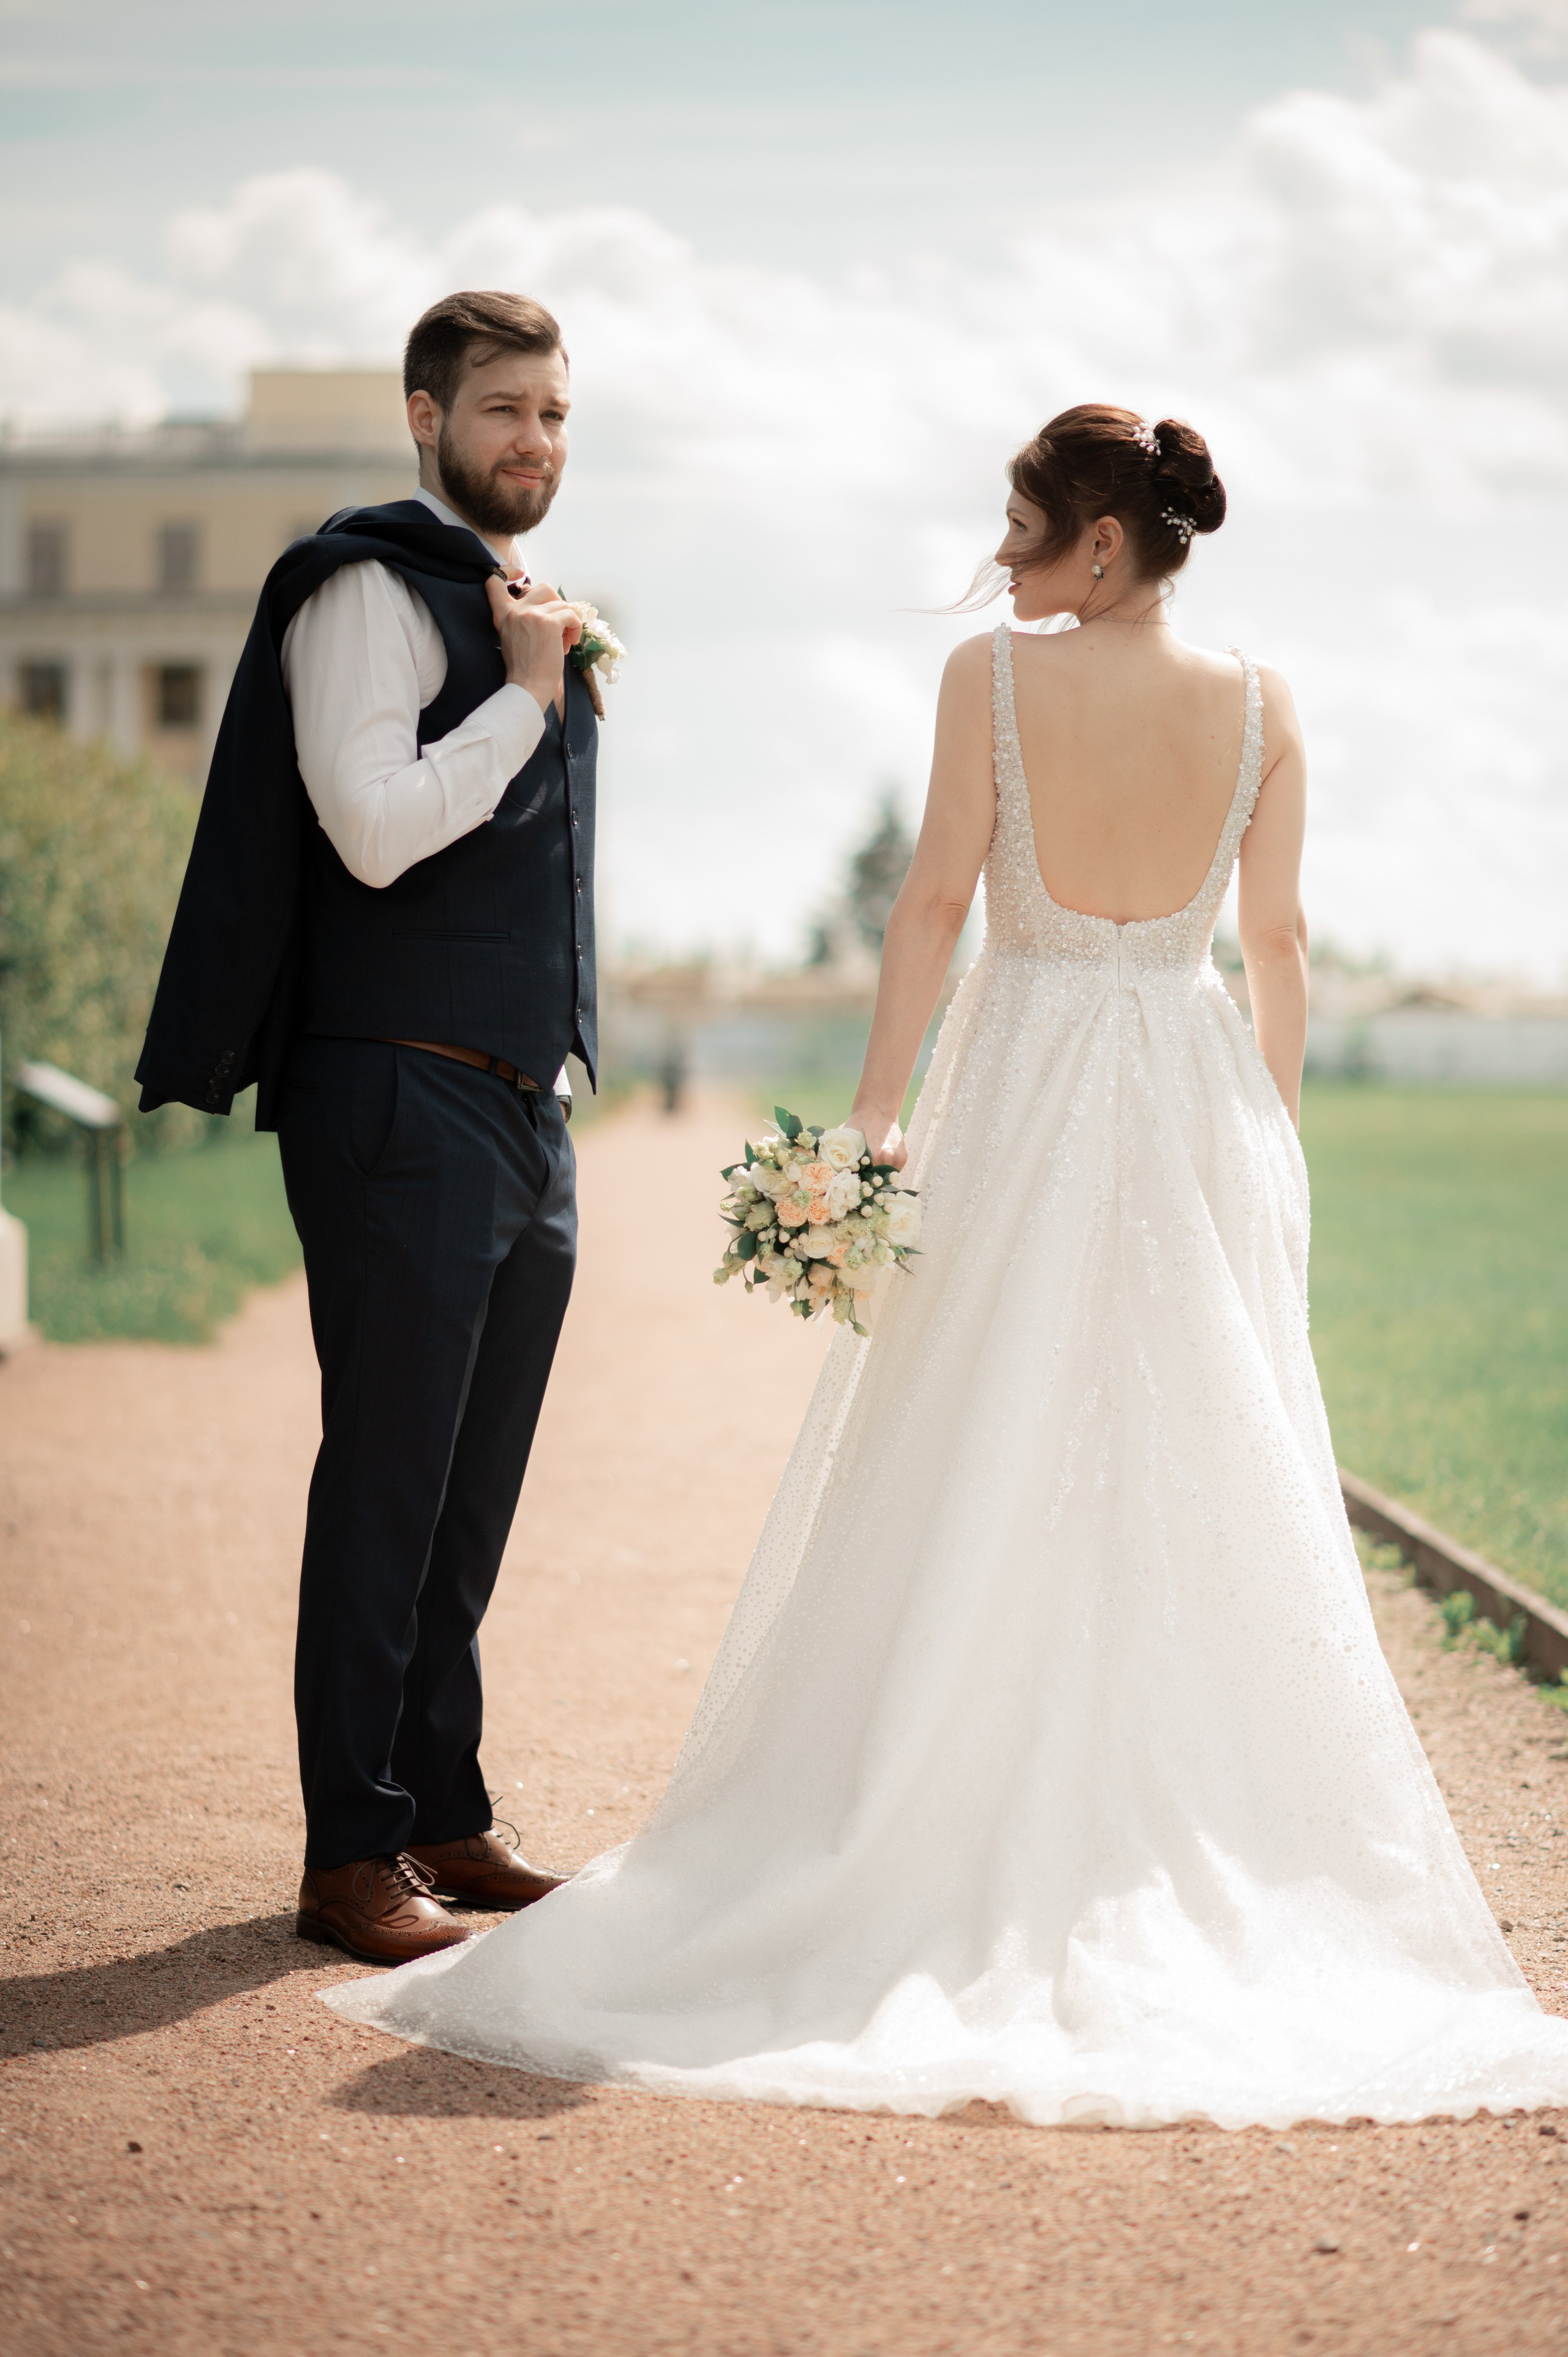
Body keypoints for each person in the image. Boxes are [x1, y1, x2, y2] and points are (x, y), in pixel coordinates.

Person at [327, 405, 1568, 2127]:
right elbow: (1274, 942)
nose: (1000, 553)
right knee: (1202, 1456)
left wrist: (868, 1127)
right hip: (1191, 1091)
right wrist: (1266, 1140)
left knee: (967, 1438)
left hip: (1031, 1082)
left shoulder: (994, 682)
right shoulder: (1268, 704)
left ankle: (942, 1798)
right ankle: (1169, 1820)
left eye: (1021, 523)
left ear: (1104, 544)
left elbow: (929, 910)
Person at [137, 292, 597, 1965]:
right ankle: (350, 1855)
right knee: (391, 1480)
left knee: (470, 1491)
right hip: (395, 1093)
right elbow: (376, 832)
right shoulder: (363, 590)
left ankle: (443, 1809)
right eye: (501, 412)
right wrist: (528, 702)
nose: (532, 441)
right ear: (425, 417)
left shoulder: (518, 605)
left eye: (552, 412)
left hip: (519, 1110)